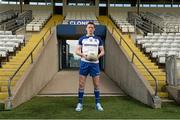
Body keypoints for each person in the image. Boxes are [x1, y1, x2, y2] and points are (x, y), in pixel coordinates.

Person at [75, 22, 105, 112]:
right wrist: (83, 55)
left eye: (92, 27)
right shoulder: (82, 39)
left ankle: (97, 103)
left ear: (94, 29)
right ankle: (80, 103)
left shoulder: (98, 39)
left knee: (96, 84)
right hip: (84, 63)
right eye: (89, 27)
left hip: (95, 64)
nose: (90, 29)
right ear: (86, 28)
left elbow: (103, 51)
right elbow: (76, 51)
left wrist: (98, 56)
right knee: (81, 84)